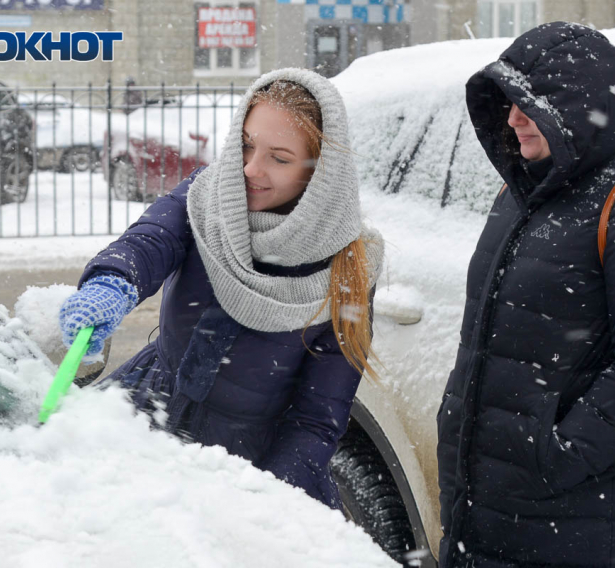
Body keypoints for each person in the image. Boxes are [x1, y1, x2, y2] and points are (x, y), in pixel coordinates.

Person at [59, 68, 384, 509]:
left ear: (318, 172)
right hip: (144, 408)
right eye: (247, 145)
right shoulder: (208, 194)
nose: (251, 168)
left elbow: (317, 417)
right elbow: (153, 238)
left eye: (280, 158)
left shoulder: (344, 267)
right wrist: (114, 281)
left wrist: (268, 495)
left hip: (244, 460)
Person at [437, 22, 615, 568]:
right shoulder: (518, 194)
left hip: (577, 524)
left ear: (575, 108)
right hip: (485, 509)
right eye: (507, 102)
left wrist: (558, 454)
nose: (512, 118)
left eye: (528, 103)